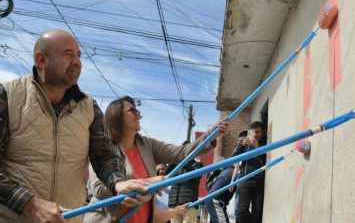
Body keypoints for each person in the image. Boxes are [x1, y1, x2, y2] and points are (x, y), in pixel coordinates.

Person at [0, 29, 155, 222]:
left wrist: (118, 183)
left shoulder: (89, 107)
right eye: (68, 54)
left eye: (79, 55)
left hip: (70, 218)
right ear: (41, 60)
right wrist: (29, 204)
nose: (77, 62)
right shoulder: (7, 96)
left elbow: (103, 156)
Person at [84, 97, 229, 223]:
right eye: (132, 110)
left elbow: (180, 152)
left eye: (137, 111)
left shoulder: (147, 145)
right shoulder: (104, 148)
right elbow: (100, 190)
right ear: (116, 117)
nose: (138, 115)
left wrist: (210, 135)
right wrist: (149, 183)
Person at [231, 122, 266, 223]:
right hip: (244, 179)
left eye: (258, 132)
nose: (255, 135)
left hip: (259, 181)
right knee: (241, 211)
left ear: (263, 132)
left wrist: (257, 148)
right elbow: (233, 159)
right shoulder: (244, 143)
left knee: (257, 211)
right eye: (253, 132)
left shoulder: (265, 143)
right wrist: (241, 146)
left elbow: (267, 159)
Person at [168, 144, 203, 223]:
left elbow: (195, 176)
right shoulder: (175, 165)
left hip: (189, 203)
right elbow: (166, 175)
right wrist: (174, 160)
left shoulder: (197, 165)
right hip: (174, 204)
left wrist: (184, 161)